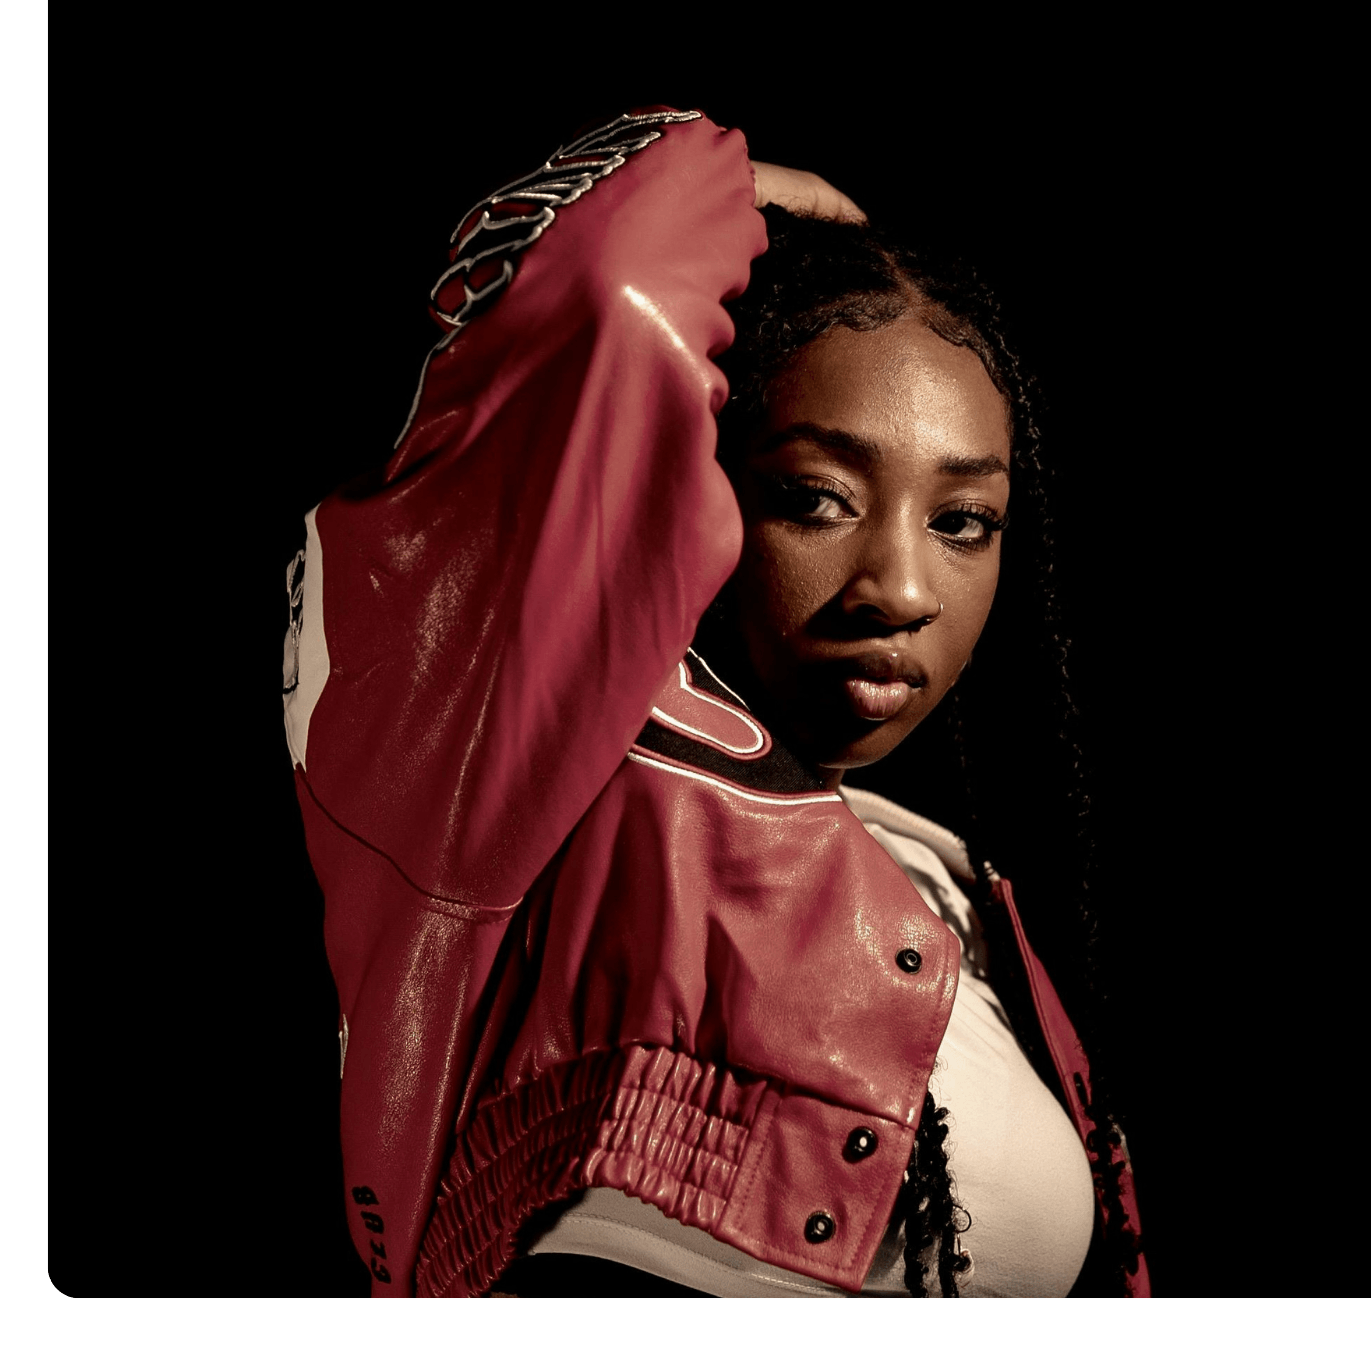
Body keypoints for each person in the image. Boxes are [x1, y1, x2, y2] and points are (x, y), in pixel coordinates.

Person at [282, 106, 1149, 1298]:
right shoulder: (550, 777)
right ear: (693, 491)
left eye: (962, 521)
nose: (900, 589)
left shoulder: (937, 877)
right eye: (815, 498)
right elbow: (603, 288)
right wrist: (743, 185)